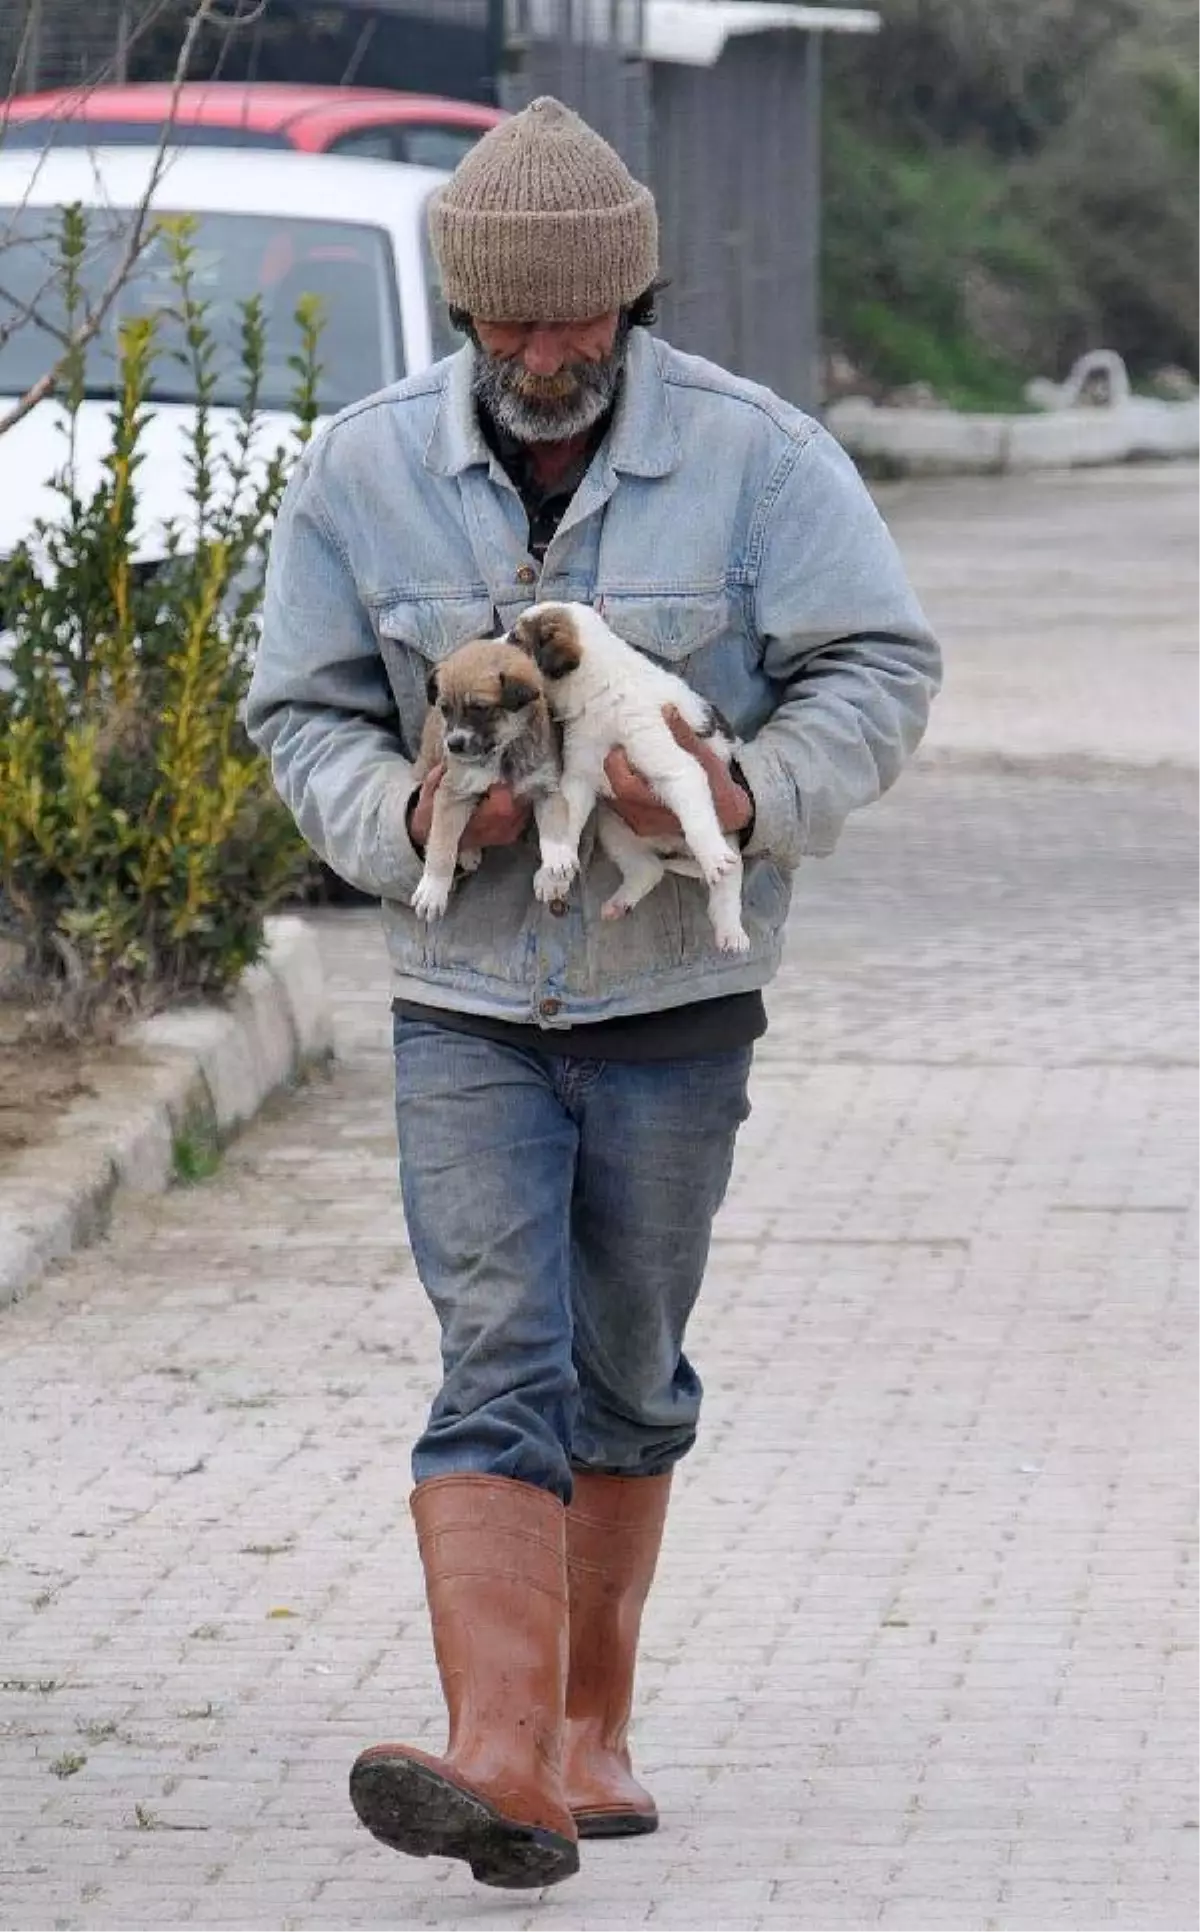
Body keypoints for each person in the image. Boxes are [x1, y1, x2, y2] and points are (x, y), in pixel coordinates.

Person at [247, 96, 941, 1891]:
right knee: (501, 1358)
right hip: (460, 1002)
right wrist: (401, 809)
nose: (544, 356)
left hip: (673, 1007)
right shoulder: (364, 468)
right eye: (509, 323)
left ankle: (584, 1729)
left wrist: (746, 797)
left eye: (578, 323)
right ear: (464, 311)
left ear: (634, 300)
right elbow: (299, 709)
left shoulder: (761, 459)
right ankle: (497, 1758)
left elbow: (876, 665)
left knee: (625, 1371)